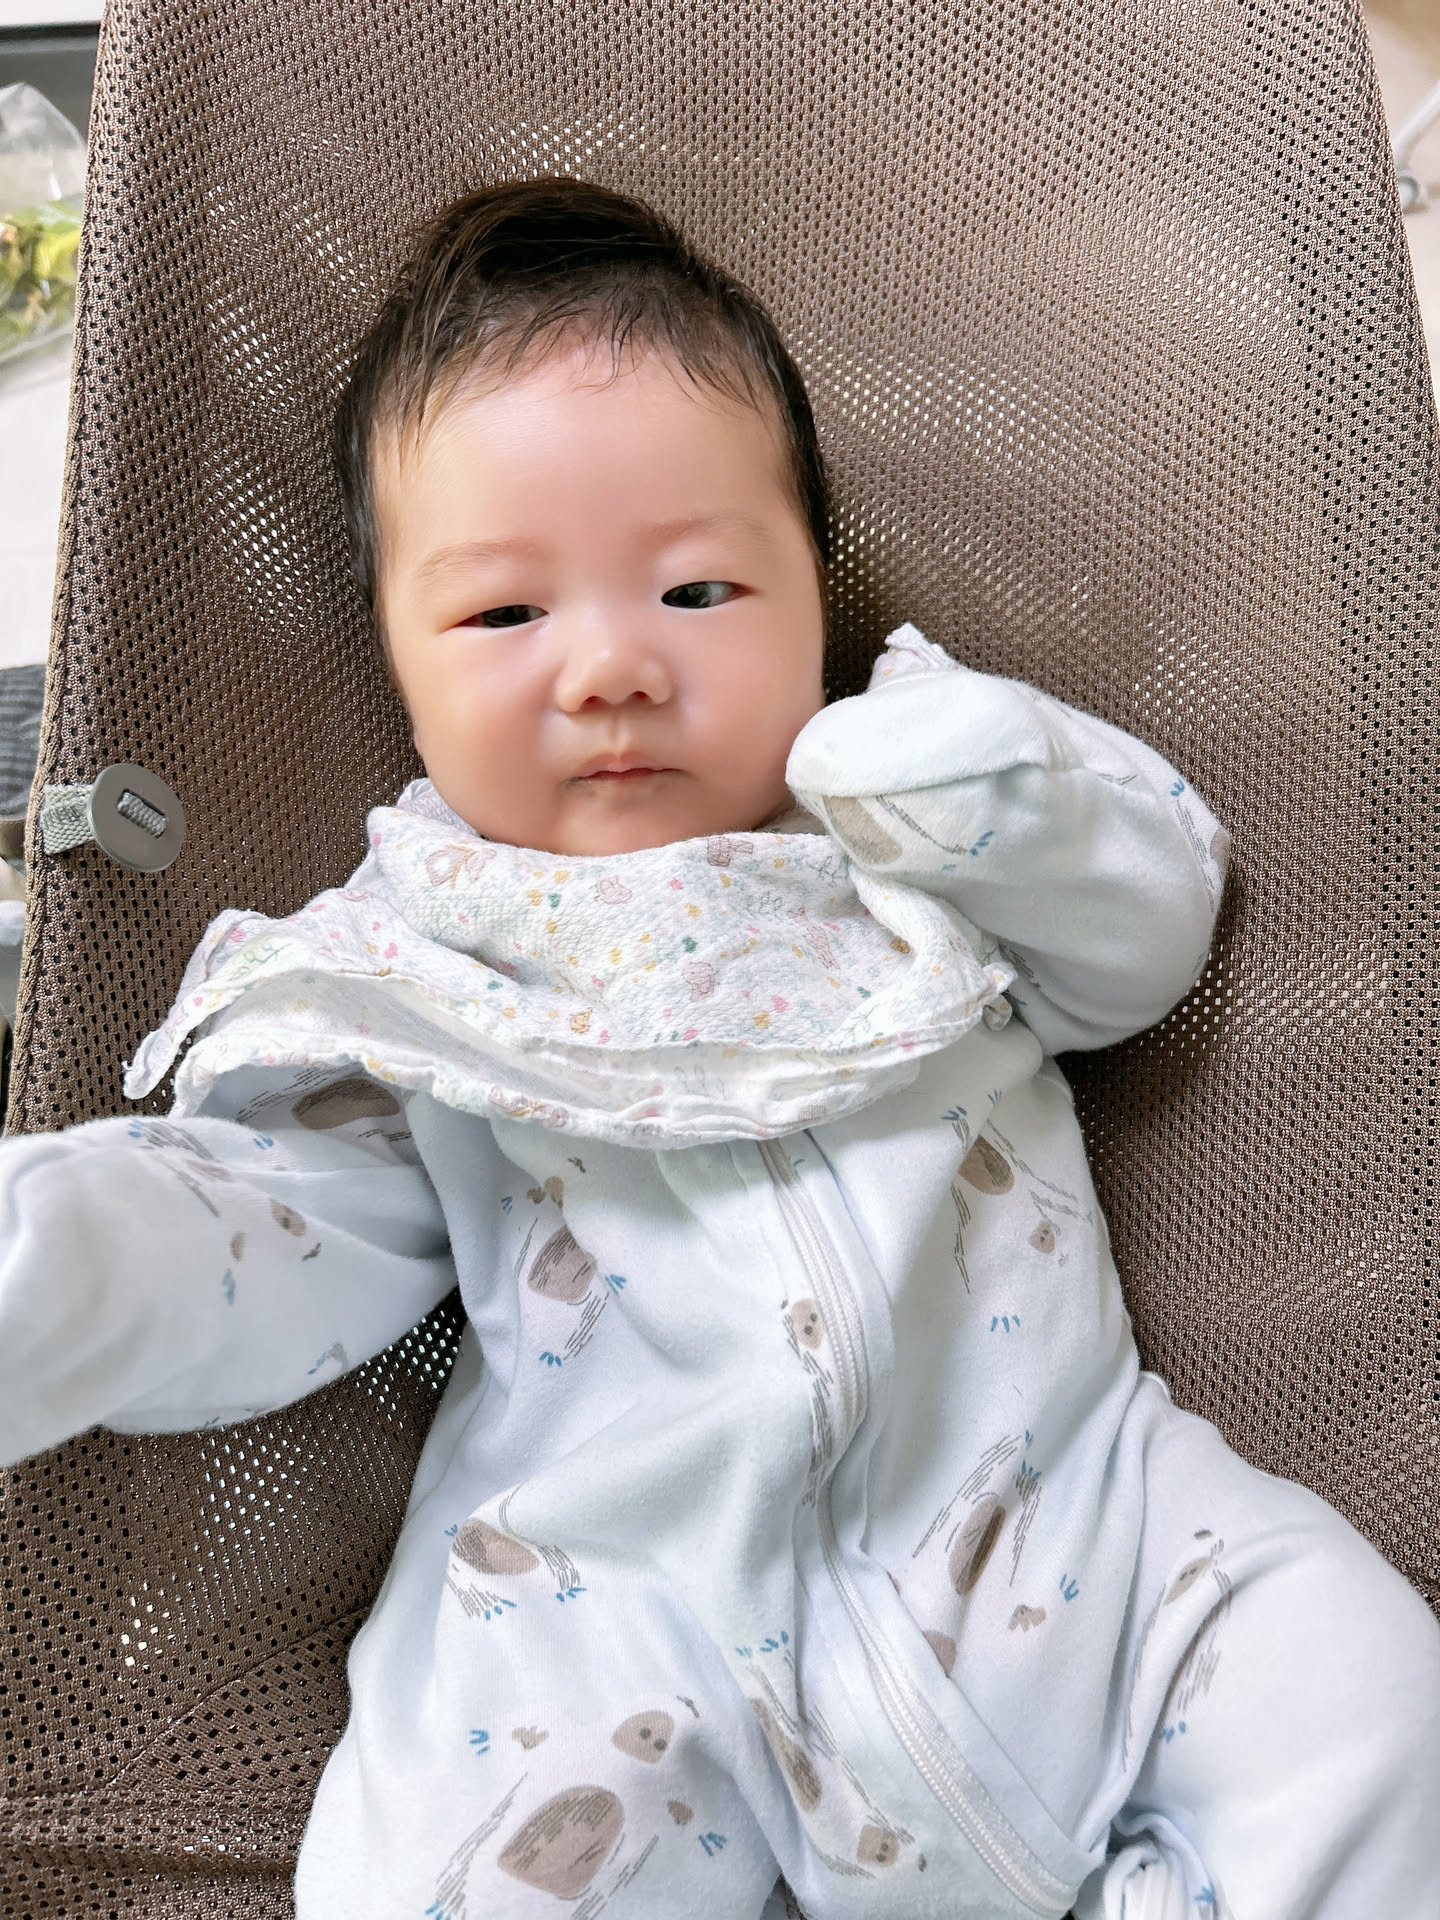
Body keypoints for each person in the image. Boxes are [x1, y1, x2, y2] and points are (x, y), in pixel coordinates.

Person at [2, 177, 1437, 1919]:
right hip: (618, 1617)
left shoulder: (909, 844)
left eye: (697, 589)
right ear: (395, 664)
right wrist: (59, 1254)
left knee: (1363, 1696)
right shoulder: (418, 961)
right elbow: (271, 1231)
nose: (612, 666)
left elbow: (1142, 937)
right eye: (503, 617)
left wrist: (972, 783)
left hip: (1079, 1530)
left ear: (814, 598)